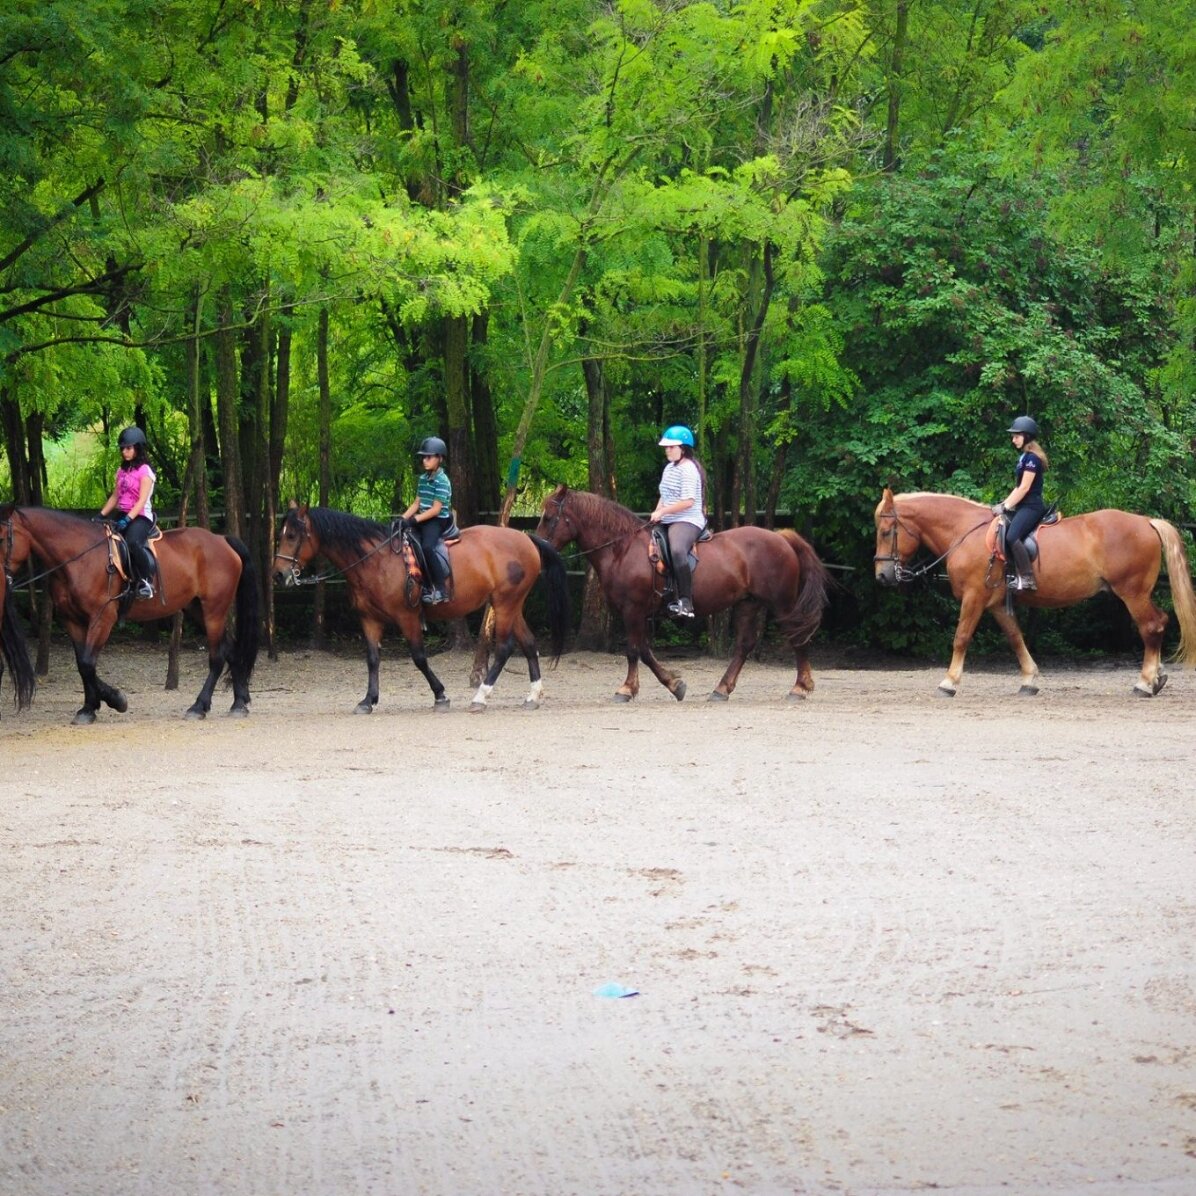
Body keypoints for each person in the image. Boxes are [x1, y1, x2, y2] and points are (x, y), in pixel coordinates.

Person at [649, 424, 707, 618]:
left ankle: (686, 601)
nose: (667, 450)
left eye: (671, 447)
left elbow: (688, 502)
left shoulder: (689, 469)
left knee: (676, 549)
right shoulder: (669, 469)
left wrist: (663, 511)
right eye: (666, 447)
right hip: (668, 518)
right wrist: (657, 512)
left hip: (688, 519)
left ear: (683, 448)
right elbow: (664, 495)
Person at [99, 426, 158, 600]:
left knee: (133, 543)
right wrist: (101, 515)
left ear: (138, 448)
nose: (125, 452)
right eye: (123, 448)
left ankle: (146, 581)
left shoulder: (145, 471)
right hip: (122, 513)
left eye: (129, 448)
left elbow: (141, 501)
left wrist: (127, 520)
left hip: (140, 517)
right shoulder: (122, 471)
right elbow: (115, 496)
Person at [992, 415, 1048, 591]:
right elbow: (1017, 488)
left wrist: (1006, 506)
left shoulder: (1032, 459)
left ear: (1027, 437)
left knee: (1012, 536)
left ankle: (1027, 578)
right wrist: (1003, 504)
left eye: (1017, 436)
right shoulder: (1024, 457)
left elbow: (1024, 488)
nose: (1013, 439)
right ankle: (1011, 573)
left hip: (1032, 506)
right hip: (1024, 506)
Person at [401, 436, 453, 604]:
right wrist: (402, 519)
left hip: (437, 520)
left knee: (427, 547)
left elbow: (436, 509)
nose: (425, 460)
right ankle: (423, 585)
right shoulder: (423, 479)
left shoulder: (442, 480)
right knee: (408, 543)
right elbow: (417, 502)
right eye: (423, 457)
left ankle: (440, 589)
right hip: (423, 518)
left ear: (440, 458)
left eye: (429, 457)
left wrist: (415, 520)